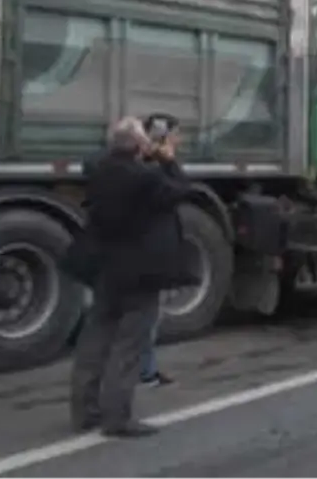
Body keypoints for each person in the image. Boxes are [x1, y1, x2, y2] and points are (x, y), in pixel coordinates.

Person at [69, 117, 196, 438]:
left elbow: (100, 159)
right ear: (140, 146)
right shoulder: (147, 178)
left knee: (94, 341)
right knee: (129, 347)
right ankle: (118, 417)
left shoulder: (99, 171)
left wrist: (141, 150)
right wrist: (168, 160)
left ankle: (85, 411)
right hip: (140, 272)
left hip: (105, 269)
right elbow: (181, 190)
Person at [137, 113, 184, 388]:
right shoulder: (153, 172)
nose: (180, 141)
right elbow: (181, 189)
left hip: (141, 253)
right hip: (148, 255)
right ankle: (144, 371)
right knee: (147, 316)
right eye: (176, 135)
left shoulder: (135, 166)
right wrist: (169, 161)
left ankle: (147, 368)